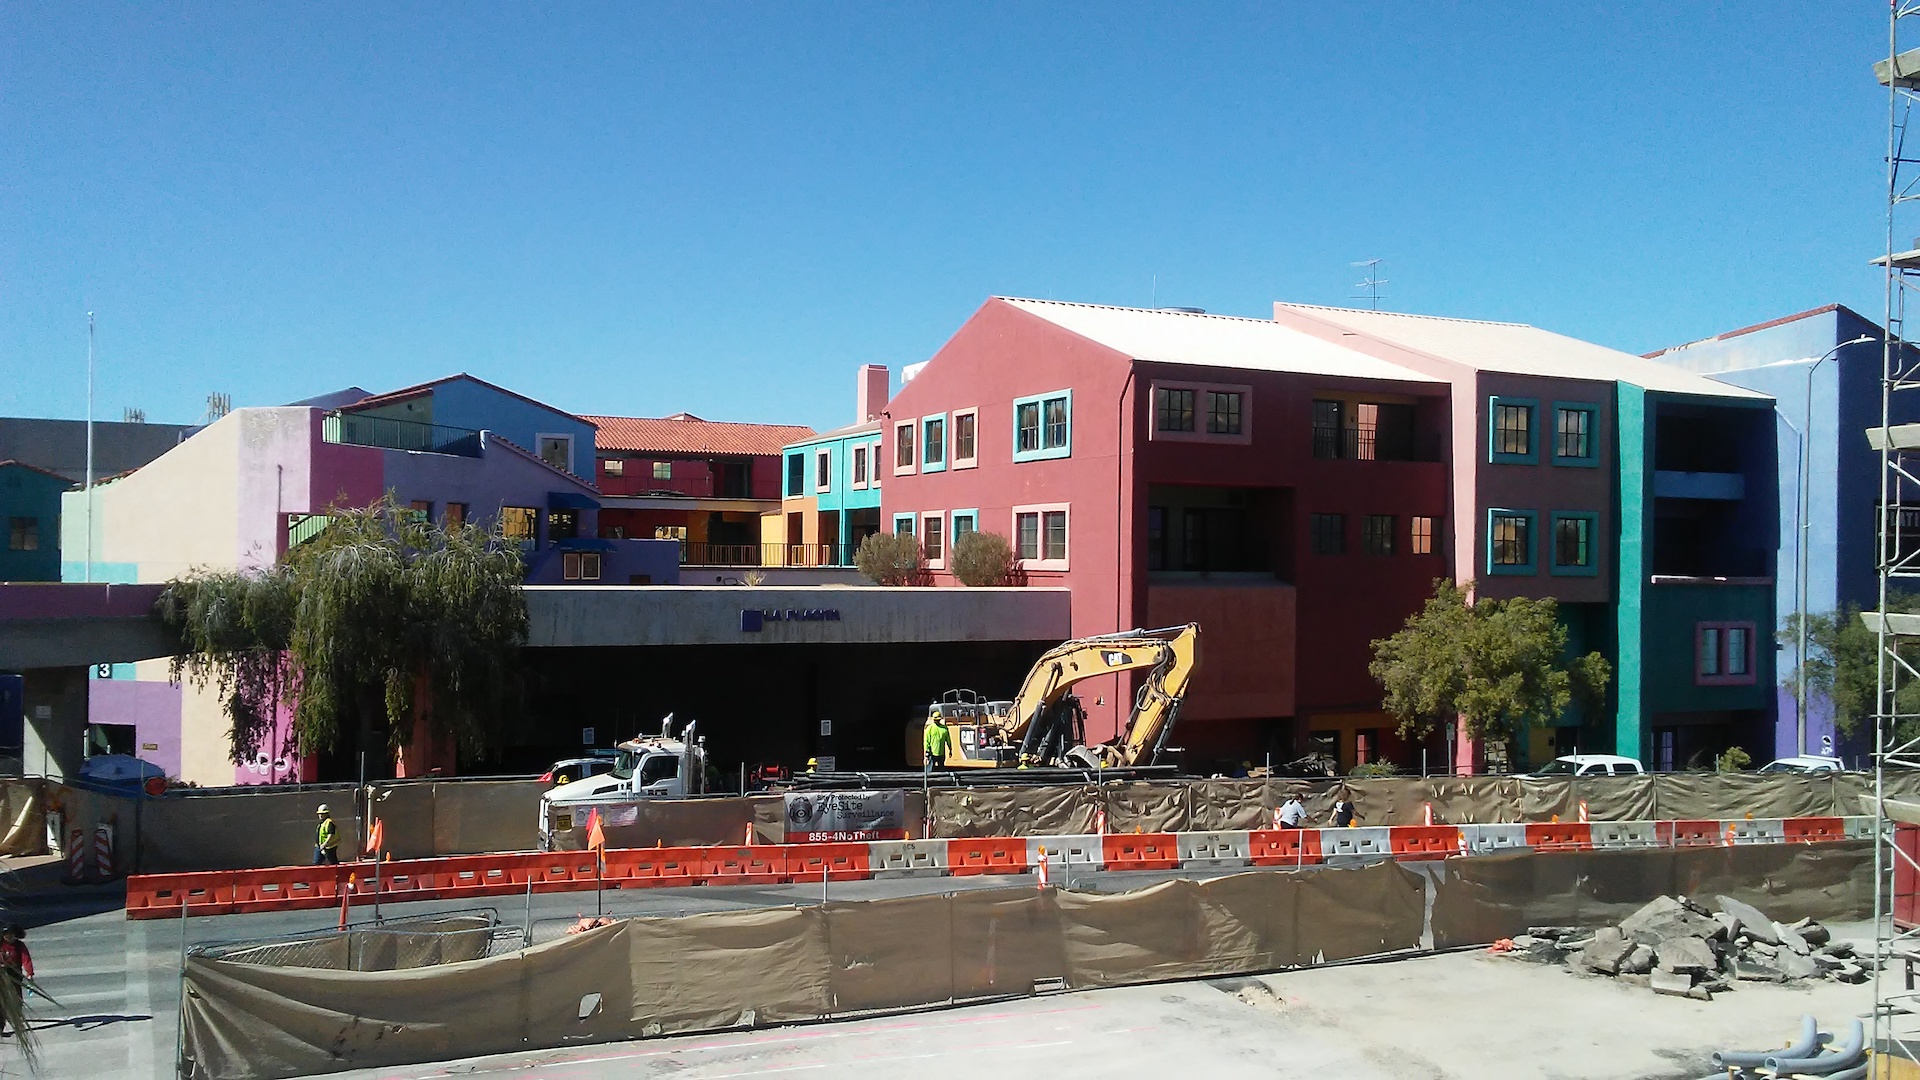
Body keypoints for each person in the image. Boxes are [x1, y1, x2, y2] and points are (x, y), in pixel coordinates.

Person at [0, 925, 32, 1038]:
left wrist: (29, 973)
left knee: (17, 1000)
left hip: (15, 976)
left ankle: (17, 1022)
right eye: (6, 937)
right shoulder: (1, 944)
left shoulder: (19, 946)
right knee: (2, 1003)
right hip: (2, 976)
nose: (9, 939)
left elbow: (26, 959)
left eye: (11, 936)